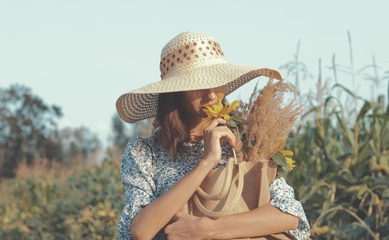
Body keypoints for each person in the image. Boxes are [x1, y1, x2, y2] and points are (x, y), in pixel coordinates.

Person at [116, 32, 310, 240]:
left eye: (217, 82)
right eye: (198, 85)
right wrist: (207, 162)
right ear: (175, 92)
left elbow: (291, 216)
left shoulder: (247, 142)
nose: (211, 95)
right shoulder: (145, 153)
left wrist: (207, 229)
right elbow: (140, 231)